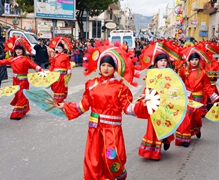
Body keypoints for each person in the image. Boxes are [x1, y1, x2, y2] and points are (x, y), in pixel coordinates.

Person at [54, 49, 147, 179]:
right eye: (103, 65)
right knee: (93, 160)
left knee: (112, 159)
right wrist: (65, 106)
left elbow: (127, 108)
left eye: (109, 66)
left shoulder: (120, 88)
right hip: (94, 130)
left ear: (115, 69)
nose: (106, 68)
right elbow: (83, 105)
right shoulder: (92, 84)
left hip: (112, 131)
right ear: (99, 66)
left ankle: (117, 175)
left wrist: (142, 105)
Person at [175, 52, 219, 147]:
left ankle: (197, 129)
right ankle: (186, 139)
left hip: (198, 98)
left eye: (196, 60)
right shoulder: (184, 71)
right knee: (187, 117)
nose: (194, 62)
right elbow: (179, 82)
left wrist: (214, 96)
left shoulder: (203, 73)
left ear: (199, 61)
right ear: (189, 61)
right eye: (192, 60)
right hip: (188, 97)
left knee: (196, 117)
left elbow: (207, 86)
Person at [137, 54, 174, 161]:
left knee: (165, 124)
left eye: (165, 60)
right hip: (153, 104)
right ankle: (152, 152)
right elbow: (148, 88)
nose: (163, 62)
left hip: (165, 103)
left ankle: (166, 139)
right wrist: (144, 95)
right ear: (156, 62)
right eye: (160, 60)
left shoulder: (170, 74)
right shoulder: (151, 74)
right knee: (153, 127)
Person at [0, 38, 42, 120]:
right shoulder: (12, 59)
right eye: (16, 50)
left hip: (23, 81)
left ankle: (17, 114)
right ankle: (24, 109)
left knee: (21, 95)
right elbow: (2, 62)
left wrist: (41, 70)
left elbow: (34, 65)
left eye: (20, 50)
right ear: (14, 51)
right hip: (15, 81)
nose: (18, 51)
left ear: (23, 50)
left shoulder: (26, 59)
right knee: (18, 95)